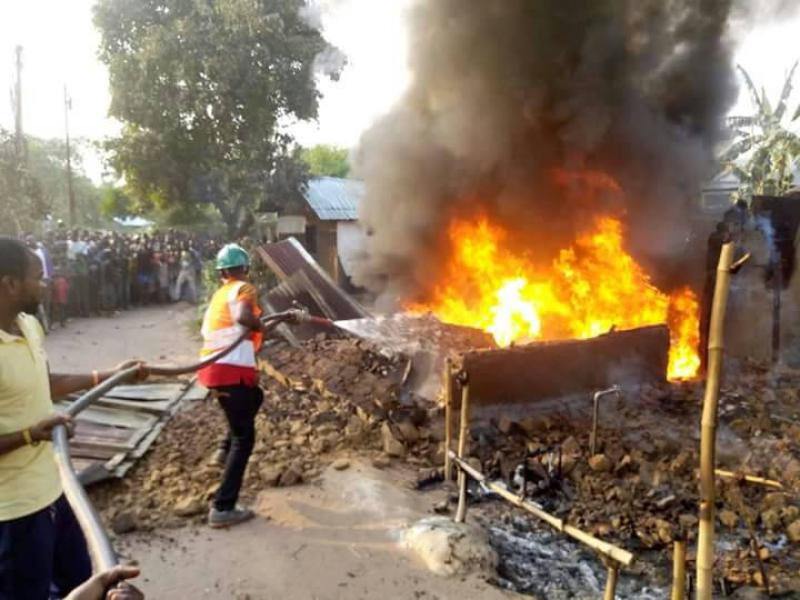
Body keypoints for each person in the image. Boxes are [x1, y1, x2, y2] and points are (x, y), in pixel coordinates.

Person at [0, 237, 147, 599]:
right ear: (10, 284)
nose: (45, 283)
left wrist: (106, 375)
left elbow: (44, 383)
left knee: (84, 583)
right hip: (13, 513)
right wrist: (30, 435)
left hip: (54, 491)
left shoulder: (28, 326)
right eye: (38, 276)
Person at [197, 244, 270, 528]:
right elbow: (242, 318)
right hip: (229, 371)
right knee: (245, 438)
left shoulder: (220, 294)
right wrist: (259, 326)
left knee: (256, 397)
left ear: (221, 272)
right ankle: (222, 508)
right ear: (245, 268)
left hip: (213, 371)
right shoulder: (244, 290)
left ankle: (222, 449)